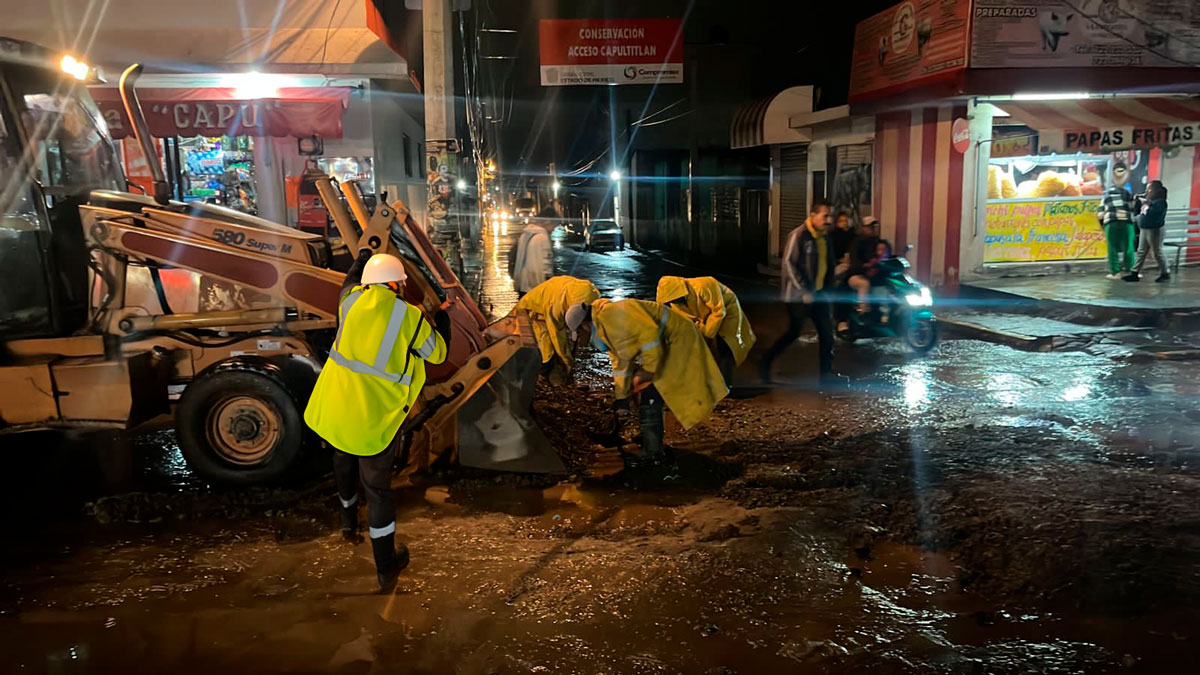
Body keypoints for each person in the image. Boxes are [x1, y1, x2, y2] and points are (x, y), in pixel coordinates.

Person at [304, 250, 450, 592]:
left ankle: (348, 525)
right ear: (396, 285)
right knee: (378, 491)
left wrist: (361, 259)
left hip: (337, 406)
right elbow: (438, 354)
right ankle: (386, 567)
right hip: (374, 418)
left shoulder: (350, 302)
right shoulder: (409, 316)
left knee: (342, 459)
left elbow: (349, 283)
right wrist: (442, 319)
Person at [591, 298, 728, 470]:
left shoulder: (612, 315)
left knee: (652, 391)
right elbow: (621, 367)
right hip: (665, 341)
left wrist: (649, 371)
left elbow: (650, 337)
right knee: (645, 387)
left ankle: (653, 452)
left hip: (677, 339)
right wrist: (621, 400)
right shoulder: (608, 330)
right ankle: (648, 436)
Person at [760, 199, 839, 384]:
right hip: (798, 296)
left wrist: (829, 288)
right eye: (825, 216)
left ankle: (826, 374)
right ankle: (765, 362)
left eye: (830, 216)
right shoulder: (799, 235)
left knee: (827, 333)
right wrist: (803, 290)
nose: (829, 220)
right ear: (813, 215)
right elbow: (789, 263)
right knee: (793, 333)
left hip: (819, 294)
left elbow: (829, 264)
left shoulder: (825, 237)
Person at [655, 275, 756, 386]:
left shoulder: (704, 285)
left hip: (727, 311)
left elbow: (719, 312)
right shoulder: (675, 303)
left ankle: (726, 385)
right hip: (706, 318)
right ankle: (710, 384)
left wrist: (706, 335)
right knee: (702, 350)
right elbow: (688, 321)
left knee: (725, 346)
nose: (673, 302)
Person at [515, 275, 601, 383]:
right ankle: (545, 374)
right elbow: (557, 335)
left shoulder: (592, 298)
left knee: (558, 347)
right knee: (547, 349)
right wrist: (567, 360)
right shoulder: (557, 308)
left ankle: (551, 370)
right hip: (534, 309)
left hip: (552, 295)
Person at [1124, 180, 1170, 283]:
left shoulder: (1160, 202)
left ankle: (1165, 273)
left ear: (1155, 190)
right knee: (1141, 251)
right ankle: (1134, 273)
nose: (1147, 191)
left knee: (1157, 252)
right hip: (1144, 228)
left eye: (1149, 188)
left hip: (1155, 229)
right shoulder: (1149, 201)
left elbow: (1155, 215)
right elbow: (1141, 213)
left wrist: (1148, 205)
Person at [845, 217, 882, 324]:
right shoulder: (857, 242)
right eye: (870, 227)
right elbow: (854, 261)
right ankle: (863, 312)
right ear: (863, 228)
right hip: (856, 274)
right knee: (864, 284)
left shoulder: (878, 242)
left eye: (875, 227)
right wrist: (865, 266)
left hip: (874, 275)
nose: (873, 229)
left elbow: (885, 256)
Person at [1099, 176, 1135, 279]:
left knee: (1112, 247)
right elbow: (1133, 208)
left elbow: (1100, 214)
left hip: (1111, 222)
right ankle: (1131, 270)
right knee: (1129, 247)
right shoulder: (1128, 194)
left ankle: (1115, 273)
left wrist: (1102, 225)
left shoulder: (1106, 195)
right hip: (1127, 222)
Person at [510, 219, 554, 296]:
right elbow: (546, 264)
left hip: (522, 283)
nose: (553, 229)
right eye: (554, 226)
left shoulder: (525, 235)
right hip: (536, 285)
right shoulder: (543, 237)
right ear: (548, 222)